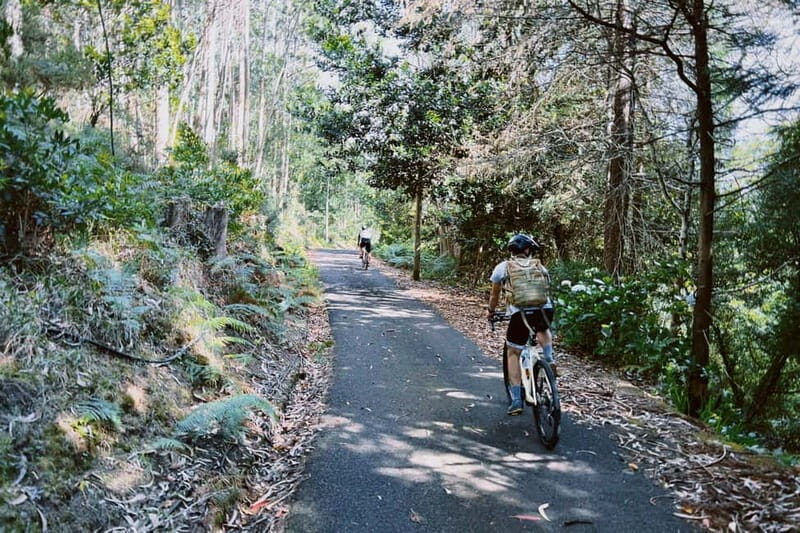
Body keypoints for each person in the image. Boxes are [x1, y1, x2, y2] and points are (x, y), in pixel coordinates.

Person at [486, 234, 555, 416]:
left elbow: (494, 295)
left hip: (521, 312)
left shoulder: (503, 267)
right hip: (545, 309)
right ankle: (549, 359)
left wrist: (491, 311)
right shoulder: (539, 266)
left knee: (513, 351)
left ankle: (516, 400)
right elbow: (547, 289)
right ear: (528, 250)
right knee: (543, 329)